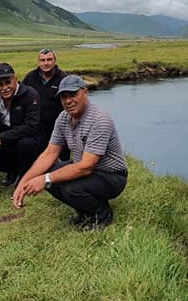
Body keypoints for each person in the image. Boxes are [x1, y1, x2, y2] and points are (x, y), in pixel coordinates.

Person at [12, 75, 127, 228]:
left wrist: (45, 179)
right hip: (87, 171)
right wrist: (23, 182)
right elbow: (50, 153)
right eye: (63, 97)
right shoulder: (63, 118)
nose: (68, 101)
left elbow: (86, 167)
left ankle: (102, 215)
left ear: (85, 93)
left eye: (73, 95)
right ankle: (85, 212)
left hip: (111, 175)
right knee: (50, 173)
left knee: (70, 188)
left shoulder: (100, 120)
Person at [0, 62, 42, 186]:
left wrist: (1, 138)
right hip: (8, 142)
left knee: (25, 144)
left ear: (15, 79)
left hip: (32, 140)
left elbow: (32, 126)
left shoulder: (30, 94)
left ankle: (26, 174)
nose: (4, 88)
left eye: (8, 82)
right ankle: (12, 169)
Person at [21, 48, 68, 145]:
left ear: (55, 61)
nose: (46, 63)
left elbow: (69, 103)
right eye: (42, 60)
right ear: (38, 62)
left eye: (49, 59)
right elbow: (21, 99)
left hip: (58, 127)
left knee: (62, 156)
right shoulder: (30, 77)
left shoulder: (63, 78)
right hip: (35, 126)